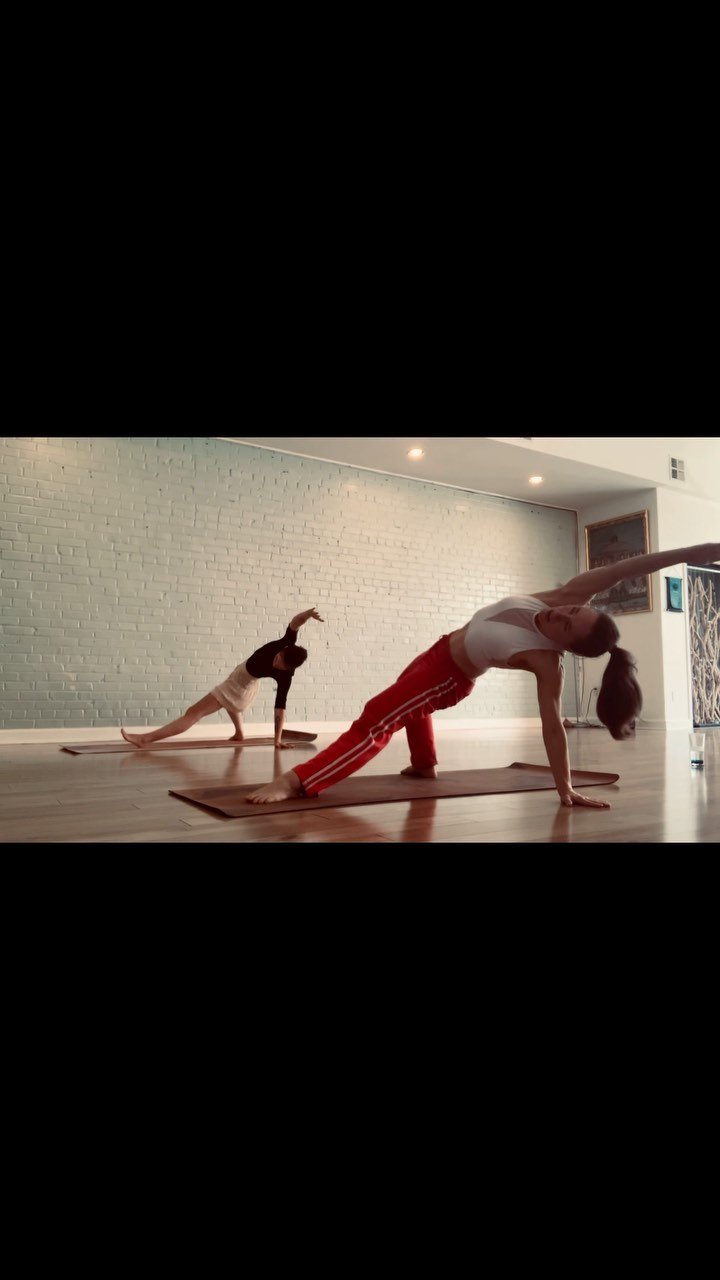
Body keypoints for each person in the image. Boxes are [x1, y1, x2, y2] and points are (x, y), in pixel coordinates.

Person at [246, 541, 719, 810]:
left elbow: (553, 728)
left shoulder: (546, 662)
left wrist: (565, 788)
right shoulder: (564, 597)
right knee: (402, 699)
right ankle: (425, 763)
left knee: (378, 717)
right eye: (572, 612)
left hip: (449, 676)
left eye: (566, 627)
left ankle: (299, 781)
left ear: (567, 648)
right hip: (440, 647)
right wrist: (708, 548)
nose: (560, 616)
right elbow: (632, 567)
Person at [120, 607, 324, 748]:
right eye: (278, 657)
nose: (275, 661)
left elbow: (280, 709)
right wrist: (307, 614)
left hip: (238, 686)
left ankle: (145, 739)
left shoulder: (286, 676)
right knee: (229, 706)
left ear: (288, 668)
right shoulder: (287, 642)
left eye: (279, 664)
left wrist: (276, 740)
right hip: (243, 681)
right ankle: (240, 734)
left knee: (194, 713)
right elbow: (295, 622)